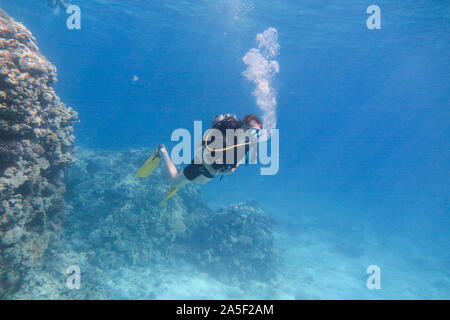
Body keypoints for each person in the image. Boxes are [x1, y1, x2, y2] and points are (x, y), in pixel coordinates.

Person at [136, 114, 263, 202]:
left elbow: (240, 157)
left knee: (199, 182)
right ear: (244, 126)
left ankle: (183, 177)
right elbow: (206, 147)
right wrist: (209, 166)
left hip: (213, 168)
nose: (254, 136)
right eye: (253, 131)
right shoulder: (230, 129)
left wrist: (232, 169)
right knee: (175, 182)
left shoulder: (248, 141)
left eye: (257, 133)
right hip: (203, 163)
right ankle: (162, 151)